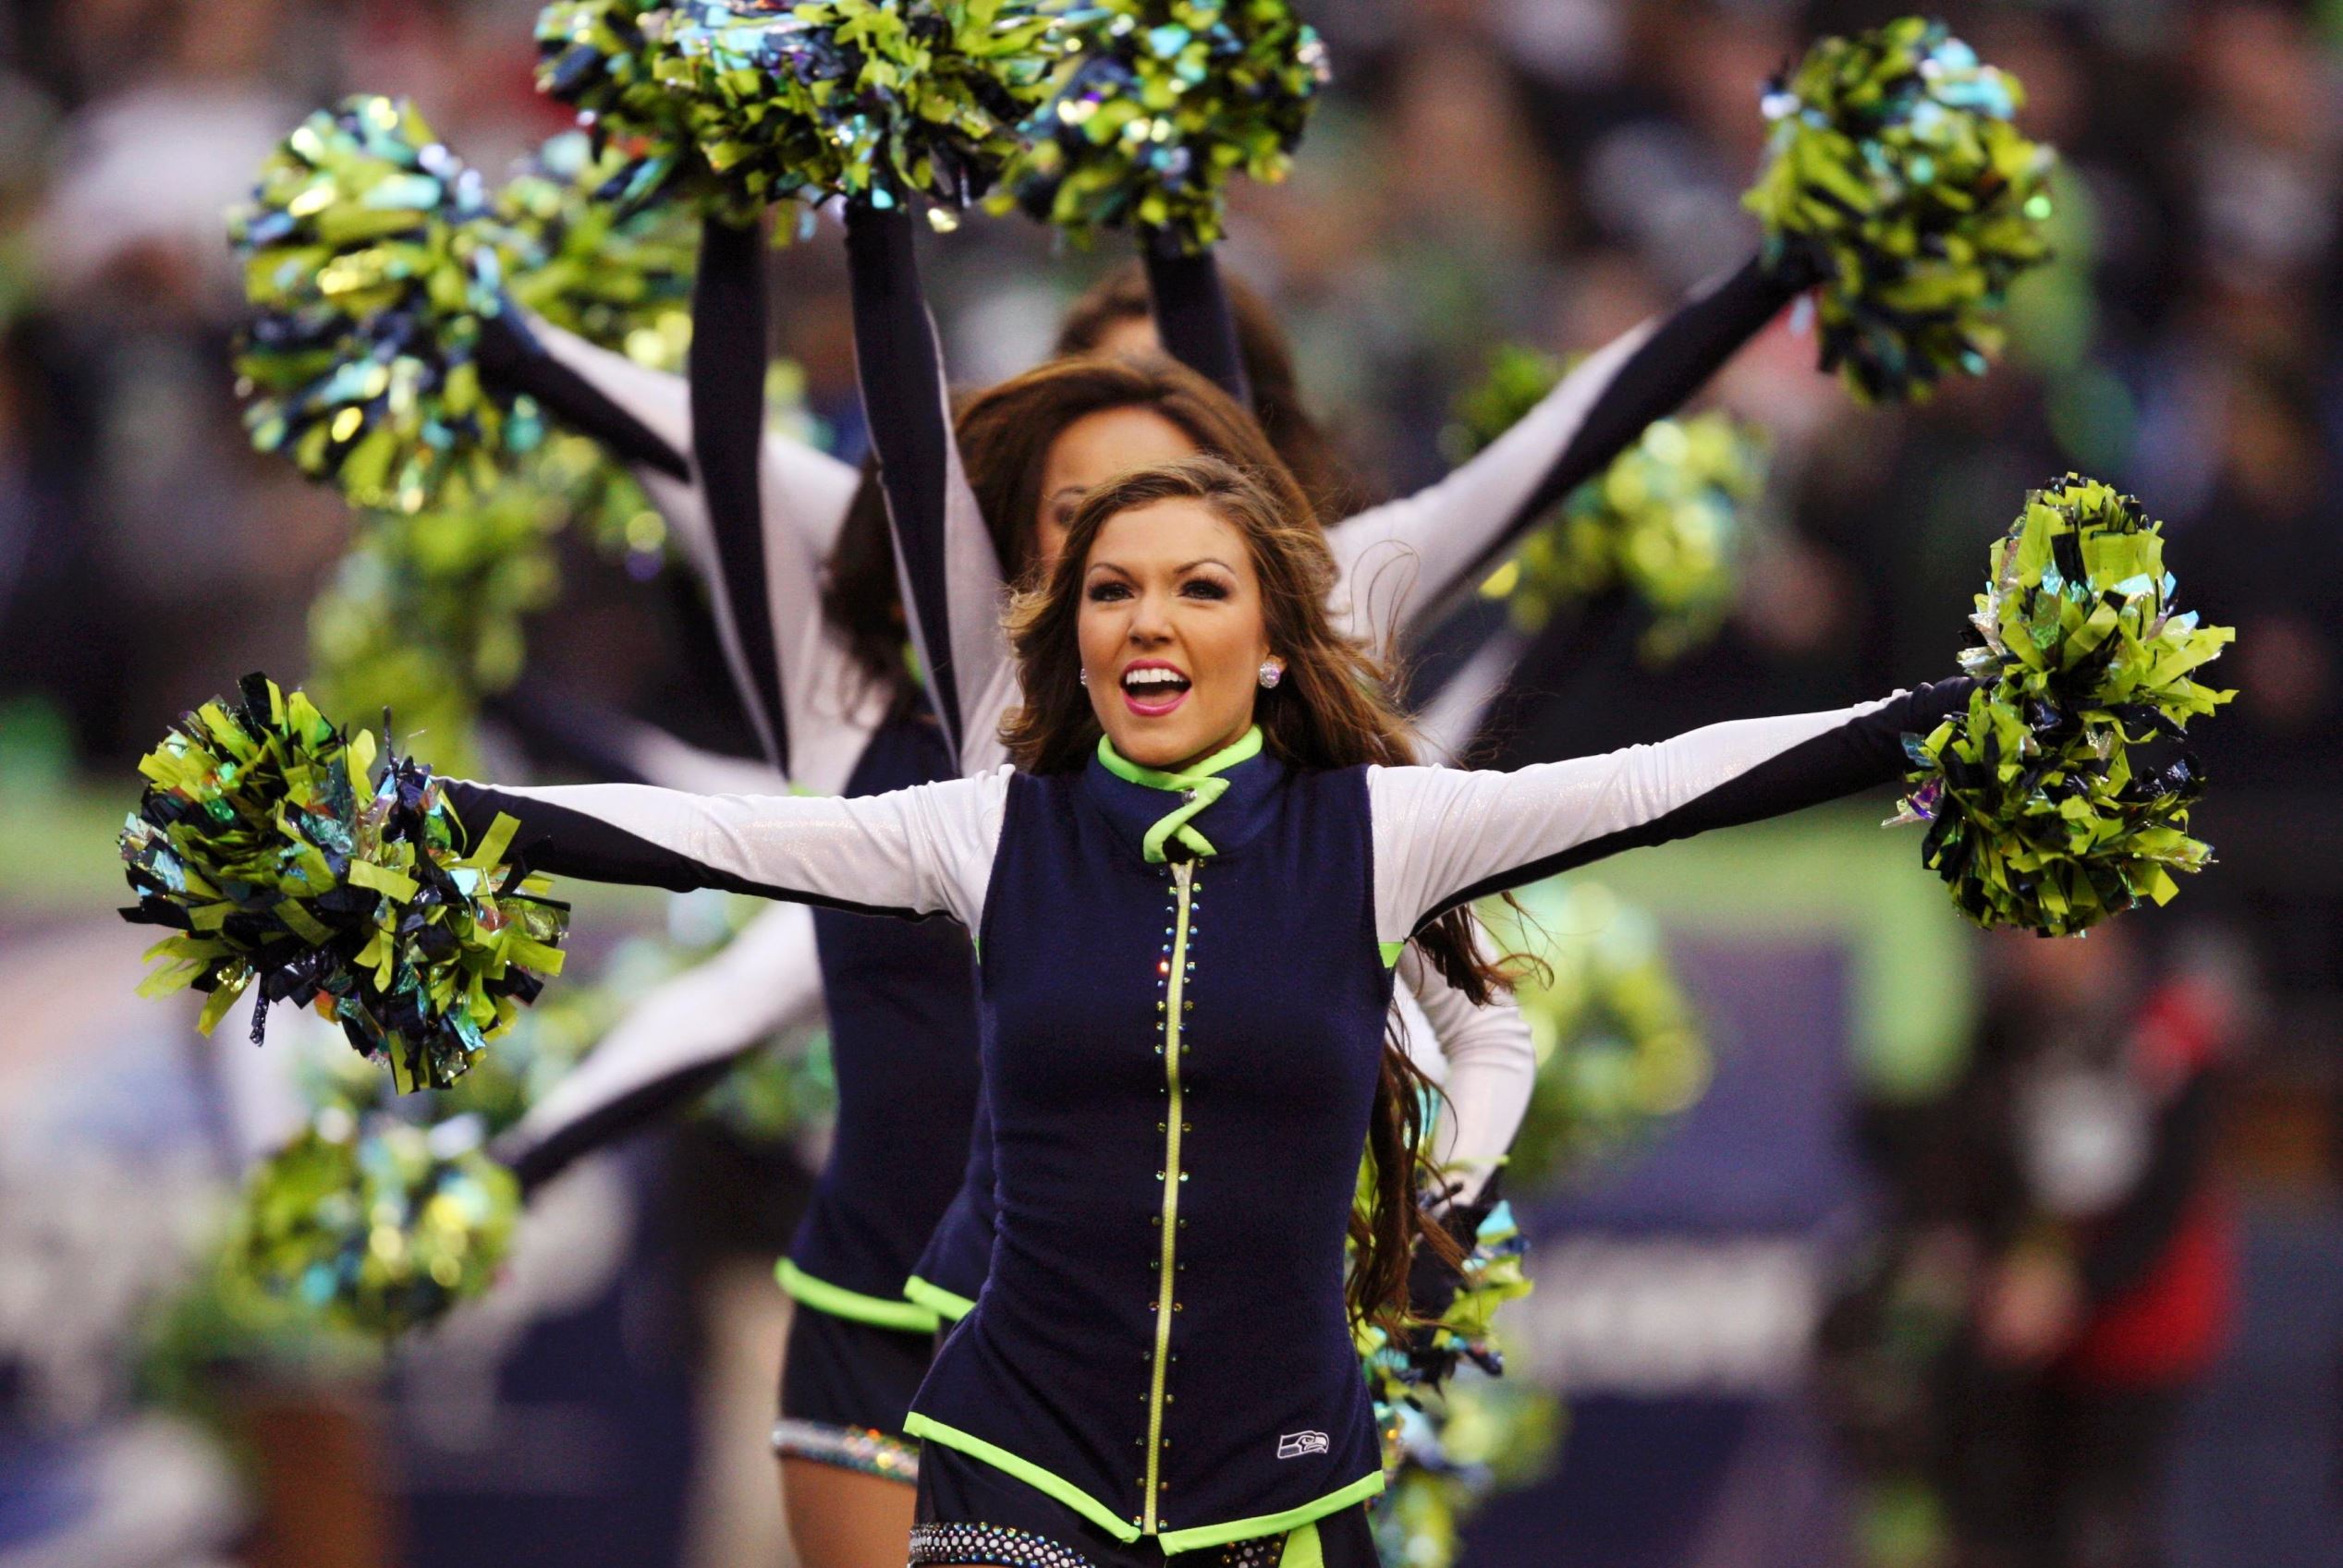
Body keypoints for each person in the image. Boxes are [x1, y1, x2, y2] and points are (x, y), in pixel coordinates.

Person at [430, 443, 1973, 1565]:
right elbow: (706, 836)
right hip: (1013, 1456)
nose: (1148, 619)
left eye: (1199, 588)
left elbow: (1660, 784)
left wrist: (1946, 718)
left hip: (1283, 1476)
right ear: (1074, 637)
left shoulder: (1381, 827)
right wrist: (424, 817)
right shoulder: (990, 830)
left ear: (1277, 641)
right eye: (1111, 591)